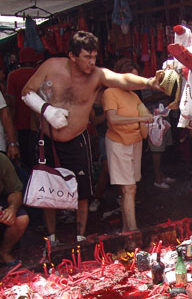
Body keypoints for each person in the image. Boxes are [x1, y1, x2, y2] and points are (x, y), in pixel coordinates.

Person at [21, 31, 163, 245]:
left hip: (77, 138)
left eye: (94, 57)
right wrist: (48, 111)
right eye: (87, 57)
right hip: (48, 138)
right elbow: (26, 92)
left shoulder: (97, 75)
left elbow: (122, 79)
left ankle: (80, 237)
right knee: (47, 191)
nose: (92, 62)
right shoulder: (51, 66)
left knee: (83, 191)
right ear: (72, 55)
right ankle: (51, 238)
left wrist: (150, 82)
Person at [102, 58, 153, 233]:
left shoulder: (134, 96)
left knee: (130, 189)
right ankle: (133, 231)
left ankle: (126, 230)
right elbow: (113, 119)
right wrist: (140, 119)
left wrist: (154, 116)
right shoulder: (110, 93)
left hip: (135, 142)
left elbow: (146, 115)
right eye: (131, 79)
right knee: (128, 188)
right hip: (118, 143)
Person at [6, 47, 42, 169]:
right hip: (39, 123)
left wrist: (11, 126)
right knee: (39, 156)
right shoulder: (40, 73)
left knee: (25, 159)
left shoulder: (13, 76)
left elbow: (11, 104)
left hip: (20, 124)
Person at [0, 152, 29, 266]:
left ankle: (3, 252)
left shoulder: (1, 159)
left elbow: (15, 190)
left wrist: (12, 209)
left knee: (21, 218)